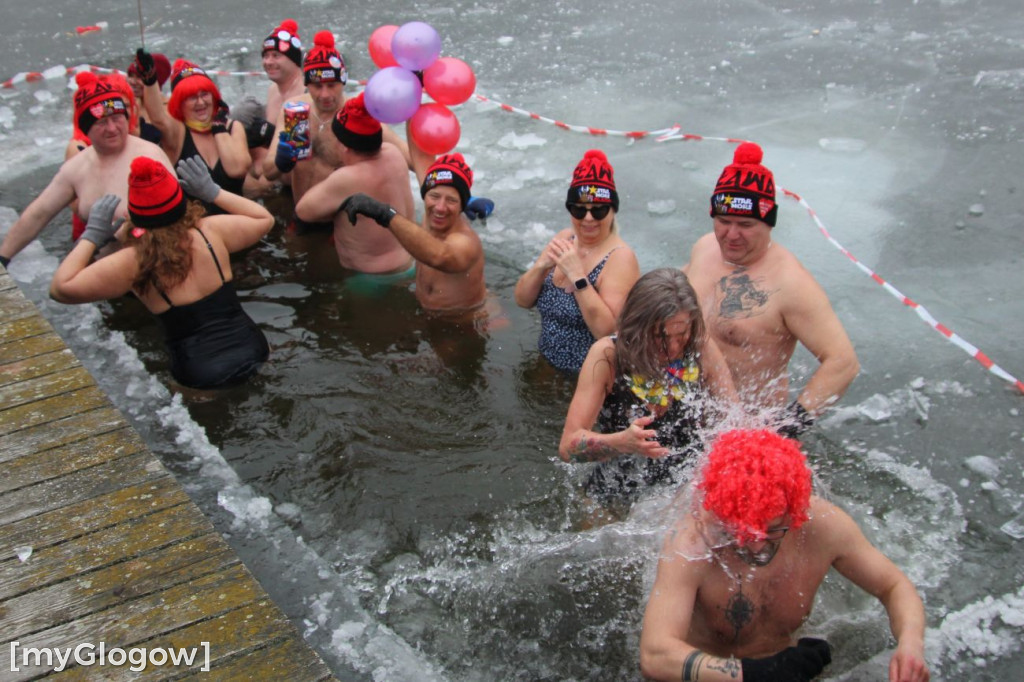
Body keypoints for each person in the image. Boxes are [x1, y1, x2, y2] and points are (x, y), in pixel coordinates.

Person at [639, 428, 930, 682]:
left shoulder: (825, 527)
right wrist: (757, 674)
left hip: (785, 668)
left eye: (773, 530)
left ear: (795, 509)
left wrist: (911, 644)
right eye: (740, 532)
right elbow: (655, 654)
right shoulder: (692, 542)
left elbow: (894, 586)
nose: (755, 547)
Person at [49, 156, 272, 390]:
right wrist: (213, 191)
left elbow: (60, 289)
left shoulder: (132, 263)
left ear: (135, 213)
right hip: (254, 349)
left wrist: (91, 236)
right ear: (181, 202)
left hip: (199, 371)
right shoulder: (210, 232)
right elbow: (263, 219)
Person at [683, 142, 859, 437]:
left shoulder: (790, 283)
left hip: (747, 428)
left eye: (746, 224)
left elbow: (843, 363)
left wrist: (785, 429)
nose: (731, 235)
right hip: (684, 412)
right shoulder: (704, 248)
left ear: (769, 223)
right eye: (723, 221)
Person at [559, 268, 737, 505]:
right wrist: (621, 442)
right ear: (636, 327)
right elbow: (568, 447)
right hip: (615, 489)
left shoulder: (700, 347)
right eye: (659, 336)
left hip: (683, 489)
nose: (673, 348)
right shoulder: (608, 356)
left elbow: (734, 418)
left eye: (681, 334)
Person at [0, 73, 173, 268]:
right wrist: (4, 257)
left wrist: (126, 232)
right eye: (101, 122)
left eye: (117, 118)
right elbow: (39, 213)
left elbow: (176, 222)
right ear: (86, 128)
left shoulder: (149, 154)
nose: (112, 128)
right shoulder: (77, 166)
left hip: (151, 264)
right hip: (102, 269)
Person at [514, 149, 641, 374]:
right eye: (579, 210)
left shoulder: (620, 258)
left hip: (588, 380)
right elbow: (522, 300)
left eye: (599, 210)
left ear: (612, 211)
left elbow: (608, 332)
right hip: (544, 365)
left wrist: (578, 278)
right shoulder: (565, 238)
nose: (588, 218)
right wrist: (541, 266)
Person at [337, 145, 487, 315]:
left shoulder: (466, 241)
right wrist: (411, 118)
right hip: (424, 310)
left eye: (451, 200)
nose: (440, 208)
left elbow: (440, 256)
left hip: (457, 321)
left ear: (462, 206)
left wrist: (384, 213)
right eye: (434, 196)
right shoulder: (431, 214)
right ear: (425, 195)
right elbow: (420, 154)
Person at [294, 92, 414, 282]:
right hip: (409, 263)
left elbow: (303, 211)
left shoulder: (346, 178)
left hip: (372, 278)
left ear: (344, 146)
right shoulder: (393, 154)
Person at [133, 51, 251, 214]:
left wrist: (218, 129)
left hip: (237, 225)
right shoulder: (178, 132)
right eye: (191, 97)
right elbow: (158, 118)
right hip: (196, 230)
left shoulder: (233, 127)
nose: (201, 102)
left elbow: (237, 169)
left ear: (214, 96)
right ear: (179, 103)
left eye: (204, 94)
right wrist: (150, 81)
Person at [262, 29, 350, 233]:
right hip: (299, 215)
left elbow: (402, 157)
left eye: (332, 84)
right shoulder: (295, 109)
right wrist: (281, 162)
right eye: (317, 86)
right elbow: (268, 172)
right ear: (307, 84)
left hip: (338, 224)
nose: (325, 94)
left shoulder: (355, 115)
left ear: (343, 81)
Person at [125, 51, 171, 144]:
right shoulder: (129, 105)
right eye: (130, 75)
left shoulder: (170, 110)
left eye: (139, 77)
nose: (132, 81)